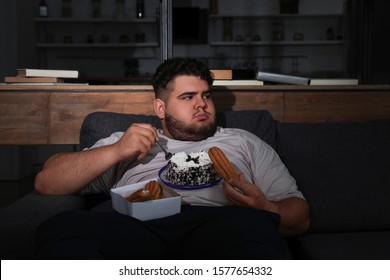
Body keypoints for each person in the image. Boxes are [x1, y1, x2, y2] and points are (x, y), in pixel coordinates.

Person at [34, 57, 309, 259]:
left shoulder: (244, 141)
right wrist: (116, 150)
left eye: (206, 95)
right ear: (160, 108)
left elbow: (300, 217)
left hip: (225, 225)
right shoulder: (130, 140)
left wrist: (265, 207)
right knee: (63, 227)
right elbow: (47, 181)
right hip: (141, 227)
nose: (201, 104)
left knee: (258, 233)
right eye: (188, 97)